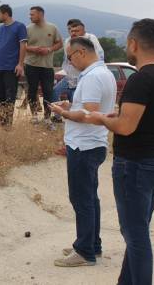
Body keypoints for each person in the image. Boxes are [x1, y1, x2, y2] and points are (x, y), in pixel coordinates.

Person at [83, 19, 154, 284]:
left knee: (136, 238)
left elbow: (125, 127)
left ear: (134, 43)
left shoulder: (140, 79)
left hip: (136, 166)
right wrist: (121, 115)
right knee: (138, 230)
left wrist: (100, 118)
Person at [49, 37, 116, 267]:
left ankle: (84, 251)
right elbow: (90, 110)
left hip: (83, 145)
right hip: (93, 144)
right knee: (90, 197)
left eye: (69, 57)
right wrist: (72, 107)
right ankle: (91, 244)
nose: (69, 61)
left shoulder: (92, 77)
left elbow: (89, 115)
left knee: (81, 198)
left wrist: (62, 112)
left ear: (80, 53)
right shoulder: (104, 73)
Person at [52, 19, 104, 122]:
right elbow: (66, 60)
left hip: (83, 76)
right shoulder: (68, 41)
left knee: (77, 99)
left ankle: (74, 117)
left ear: (83, 30)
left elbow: (99, 55)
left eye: (76, 31)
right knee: (54, 91)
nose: (73, 33)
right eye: (70, 30)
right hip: (69, 76)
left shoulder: (90, 38)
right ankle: (57, 117)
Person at [0, 4, 26, 127]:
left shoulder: (19, 26)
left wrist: (20, 64)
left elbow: (23, 46)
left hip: (11, 67)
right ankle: (0, 121)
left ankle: (8, 124)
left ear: (6, 14)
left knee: (10, 96)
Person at [24, 6, 63, 128]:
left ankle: (47, 117)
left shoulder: (52, 28)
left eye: (32, 14)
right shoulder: (27, 29)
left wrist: (49, 49)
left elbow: (60, 43)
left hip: (47, 66)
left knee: (48, 91)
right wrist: (33, 49)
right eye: (30, 14)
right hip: (31, 65)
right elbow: (23, 46)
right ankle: (34, 116)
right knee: (32, 90)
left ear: (41, 14)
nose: (30, 16)